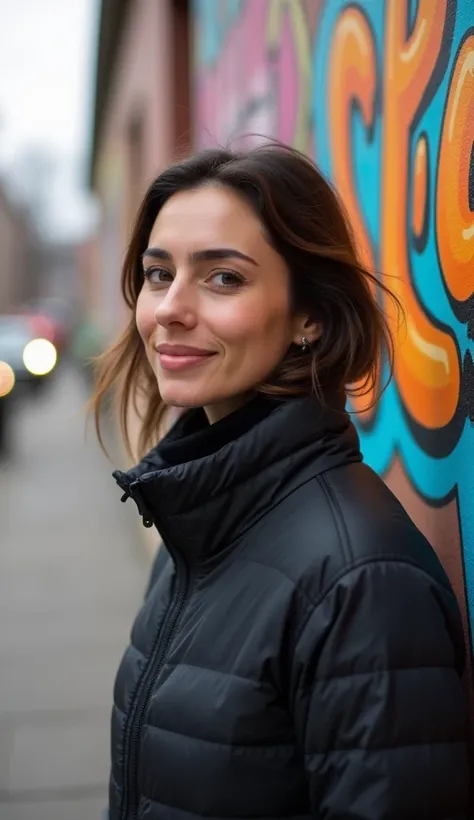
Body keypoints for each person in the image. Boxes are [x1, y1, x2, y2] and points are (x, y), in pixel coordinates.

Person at [92, 141, 471, 820]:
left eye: (223, 278)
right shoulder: (196, 513)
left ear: (310, 316)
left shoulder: (359, 581)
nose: (169, 309)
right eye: (157, 274)